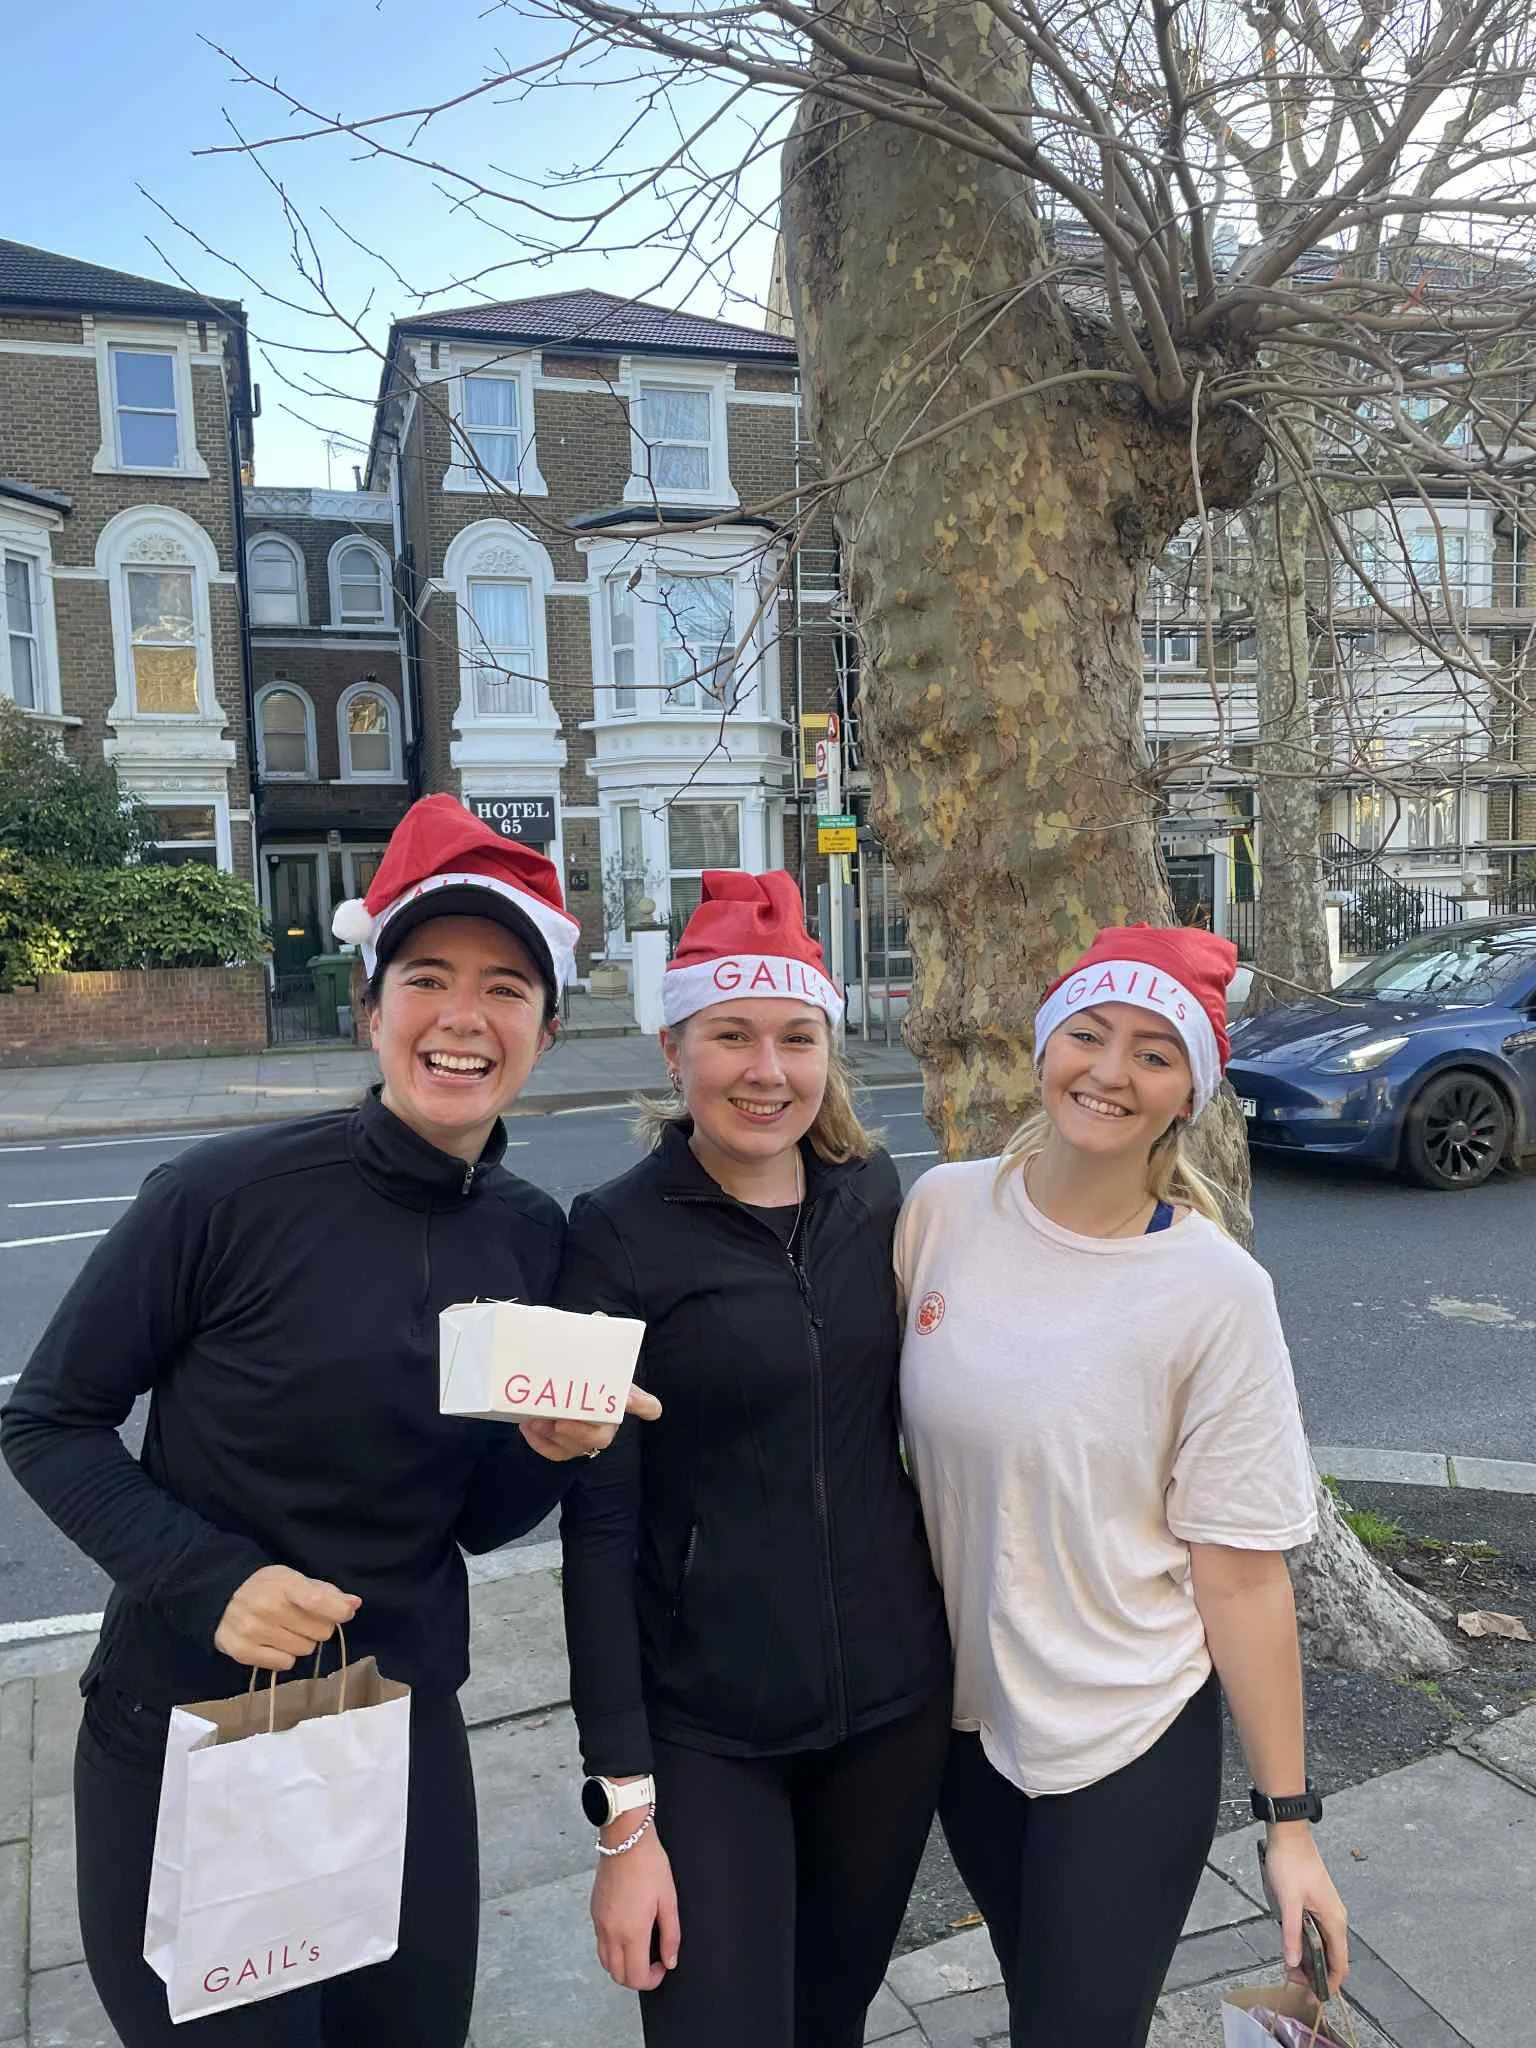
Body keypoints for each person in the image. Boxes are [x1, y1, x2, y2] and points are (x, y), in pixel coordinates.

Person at [0, 795, 659, 2048]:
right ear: (370, 1006)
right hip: (194, 1735)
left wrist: (547, 1453)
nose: (465, 1016)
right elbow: (48, 1421)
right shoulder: (221, 1196)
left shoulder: (529, 1234)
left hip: (401, 1739)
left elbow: (469, 1518)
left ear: (549, 1027)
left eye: (507, 988)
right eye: (428, 977)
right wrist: (209, 1578)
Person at [896, 923, 1350, 2048]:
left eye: (1154, 1051)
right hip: (970, 1727)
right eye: (1088, 1033)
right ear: (1045, 1046)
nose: (1110, 1071)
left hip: (1129, 1729)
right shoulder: (942, 1212)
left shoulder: (1215, 1293)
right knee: (1039, 1998)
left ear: (1190, 1088)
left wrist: (1289, 1827)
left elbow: (1241, 1576)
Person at [557, 870, 952, 2048]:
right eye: (730, 1034)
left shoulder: (873, 1194)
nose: (765, 1069)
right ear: (674, 1045)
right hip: (707, 1725)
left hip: (891, 1706)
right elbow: (599, 1529)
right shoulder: (613, 1230)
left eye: (795, 1036)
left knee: (828, 2019)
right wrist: (624, 1817)